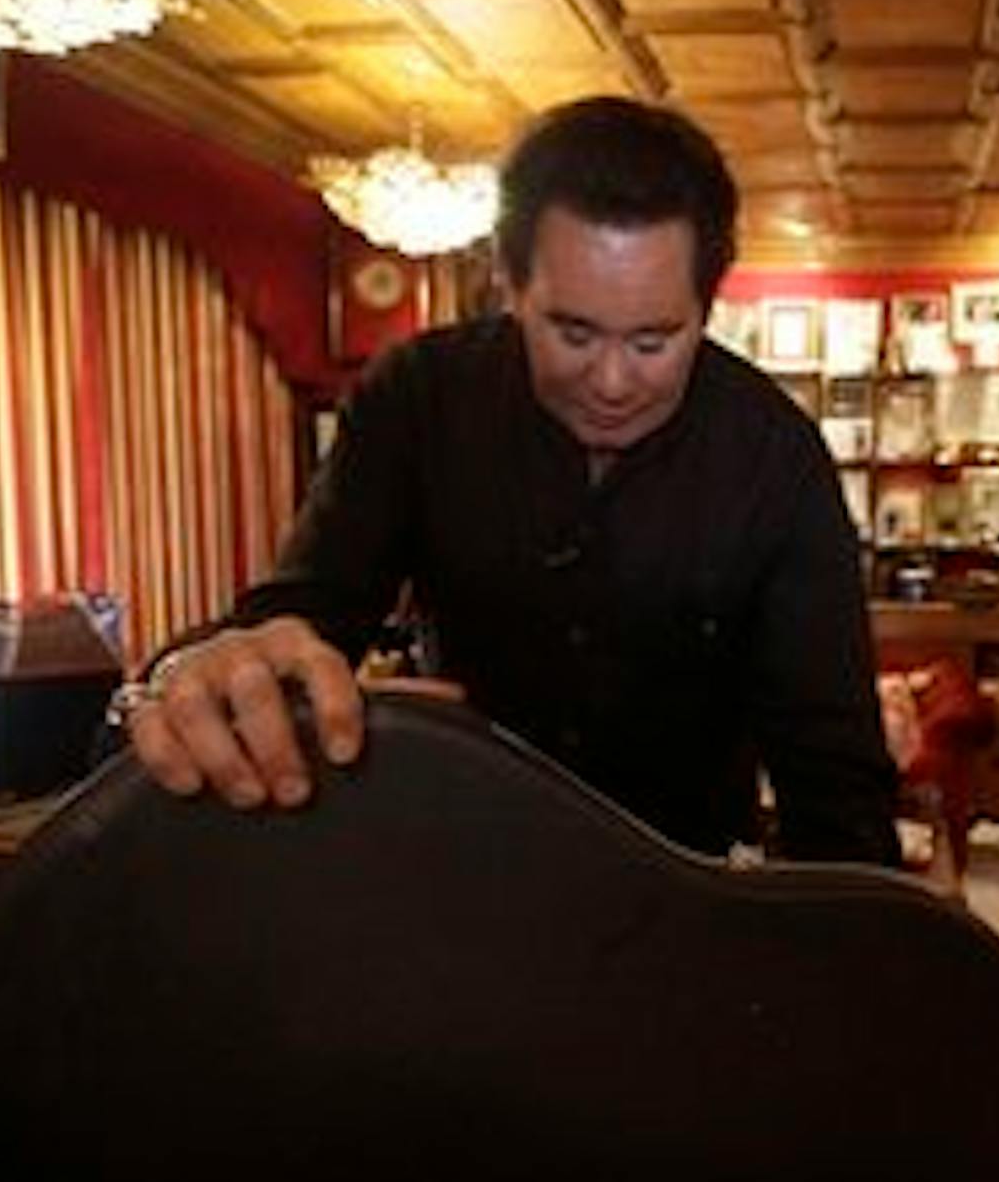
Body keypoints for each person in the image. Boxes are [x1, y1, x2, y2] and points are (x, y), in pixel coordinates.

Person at [121, 96, 898, 866]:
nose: (615, 381)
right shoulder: (420, 396)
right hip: (460, 860)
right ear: (509, 282)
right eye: (574, 332)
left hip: (680, 886)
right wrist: (226, 668)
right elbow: (303, 617)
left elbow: (834, 772)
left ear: (707, 305)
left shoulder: (774, 453)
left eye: (656, 340)